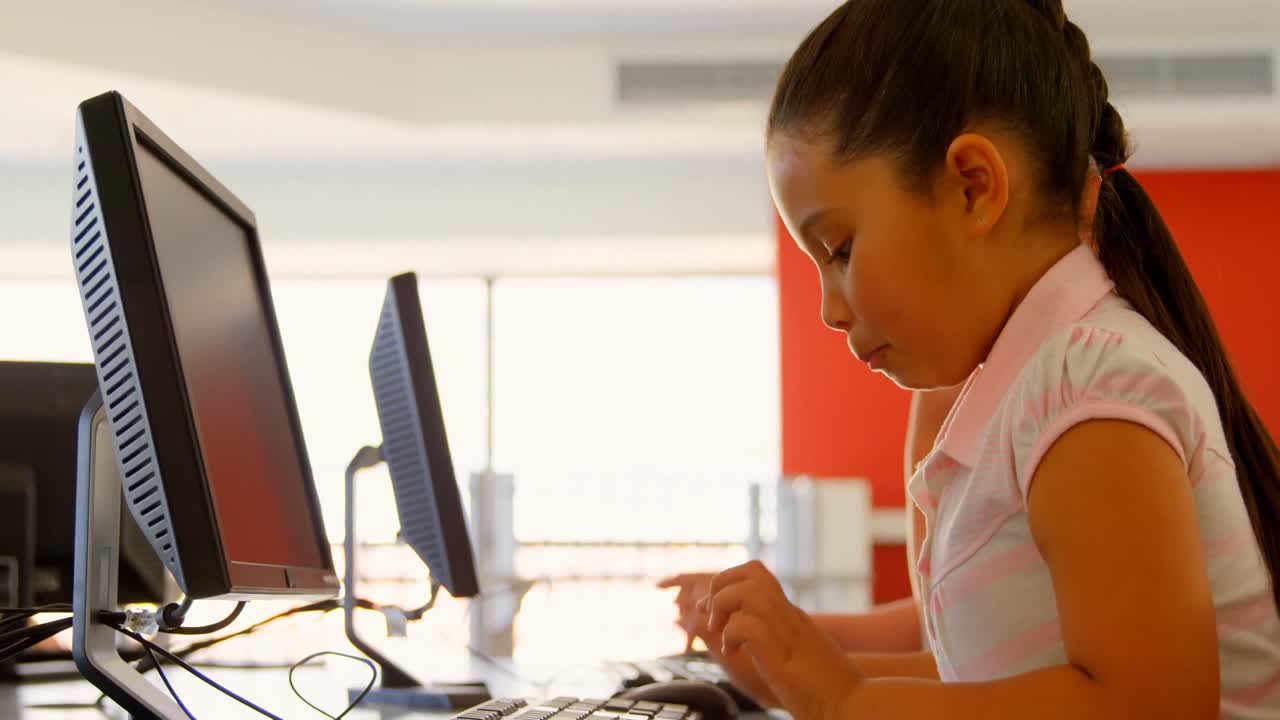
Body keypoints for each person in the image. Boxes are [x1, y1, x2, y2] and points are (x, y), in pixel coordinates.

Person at [667, 1, 1280, 718]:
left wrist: (846, 698)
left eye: (839, 250)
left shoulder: (1086, 386)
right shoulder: (1040, 385)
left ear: (973, 186)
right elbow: (991, 677)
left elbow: (1152, 704)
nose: (830, 310)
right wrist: (791, 670)